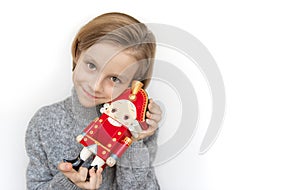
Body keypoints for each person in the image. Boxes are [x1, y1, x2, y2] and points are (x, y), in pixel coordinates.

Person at [25, 12, 162, 190]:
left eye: (114, 79)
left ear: (133, 87)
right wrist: (69, 184)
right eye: (91, 65)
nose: (96, 85)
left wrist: (133, 138)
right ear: (77, 54)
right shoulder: (44, 122)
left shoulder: (142, 128)